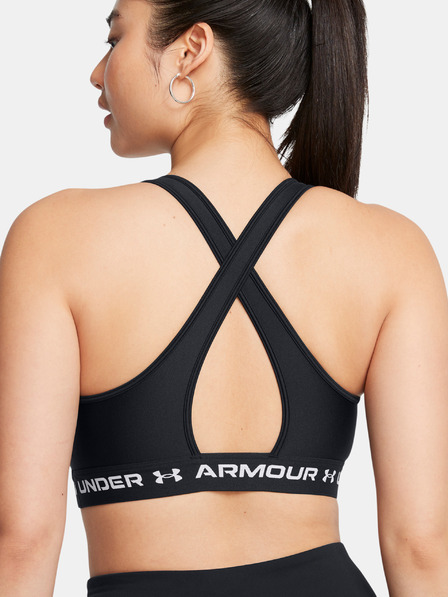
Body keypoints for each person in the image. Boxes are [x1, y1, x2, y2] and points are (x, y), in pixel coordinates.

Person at [0, 0, 447, 595]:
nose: (97, 72)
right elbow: (422, 545)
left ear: (190, 50)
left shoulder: (55, 237)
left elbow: (22, 541)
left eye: (114, 39)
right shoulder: (393, 248)